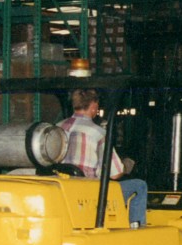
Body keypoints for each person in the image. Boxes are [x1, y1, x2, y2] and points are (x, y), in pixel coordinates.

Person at [59, 88, 148, 228]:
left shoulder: (57, 128)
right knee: (140, 186)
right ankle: (136, 227)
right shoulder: (98, 133)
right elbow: (116, 174)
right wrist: (126, 165)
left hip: (63, 189)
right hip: (89, 194)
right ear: (94, 106)